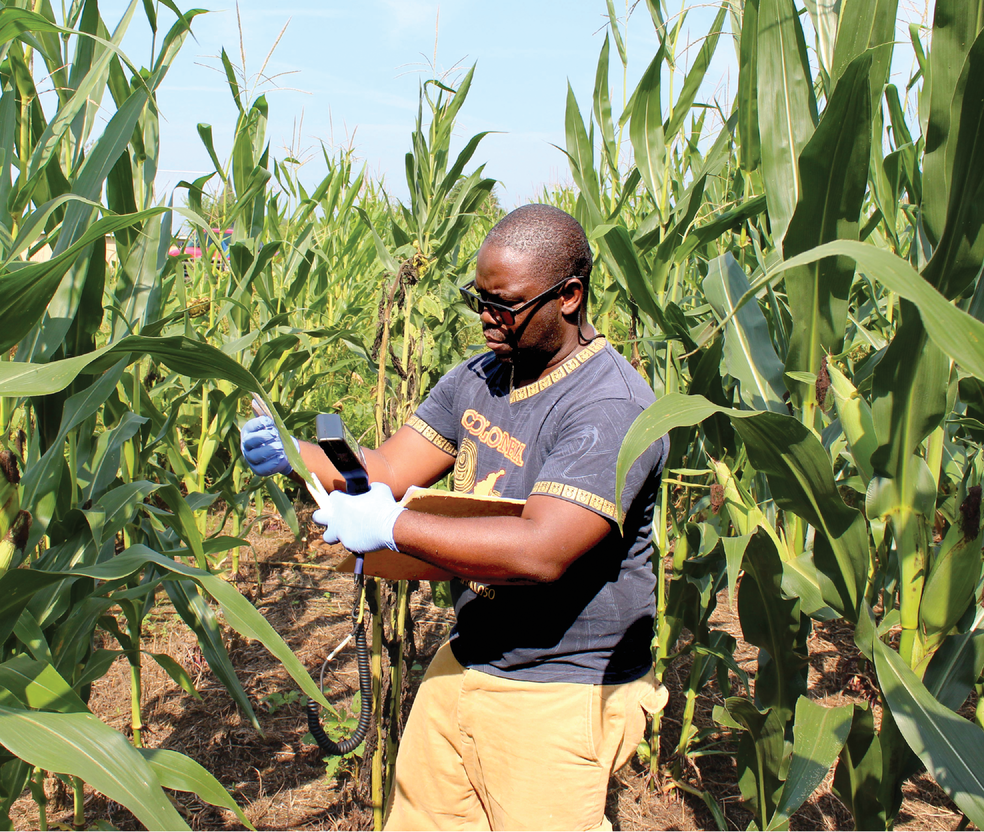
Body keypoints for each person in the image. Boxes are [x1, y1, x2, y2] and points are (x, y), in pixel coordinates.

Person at [241, 204, 669, 831]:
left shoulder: (610, 407)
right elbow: (387, 471)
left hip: (562, 687)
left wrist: (392, 528)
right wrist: (295, 454)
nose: (489, 322)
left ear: (570, 296)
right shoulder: (482, 376)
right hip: (469, 658)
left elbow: (542, 550)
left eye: (507, 306)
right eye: (480, 300)